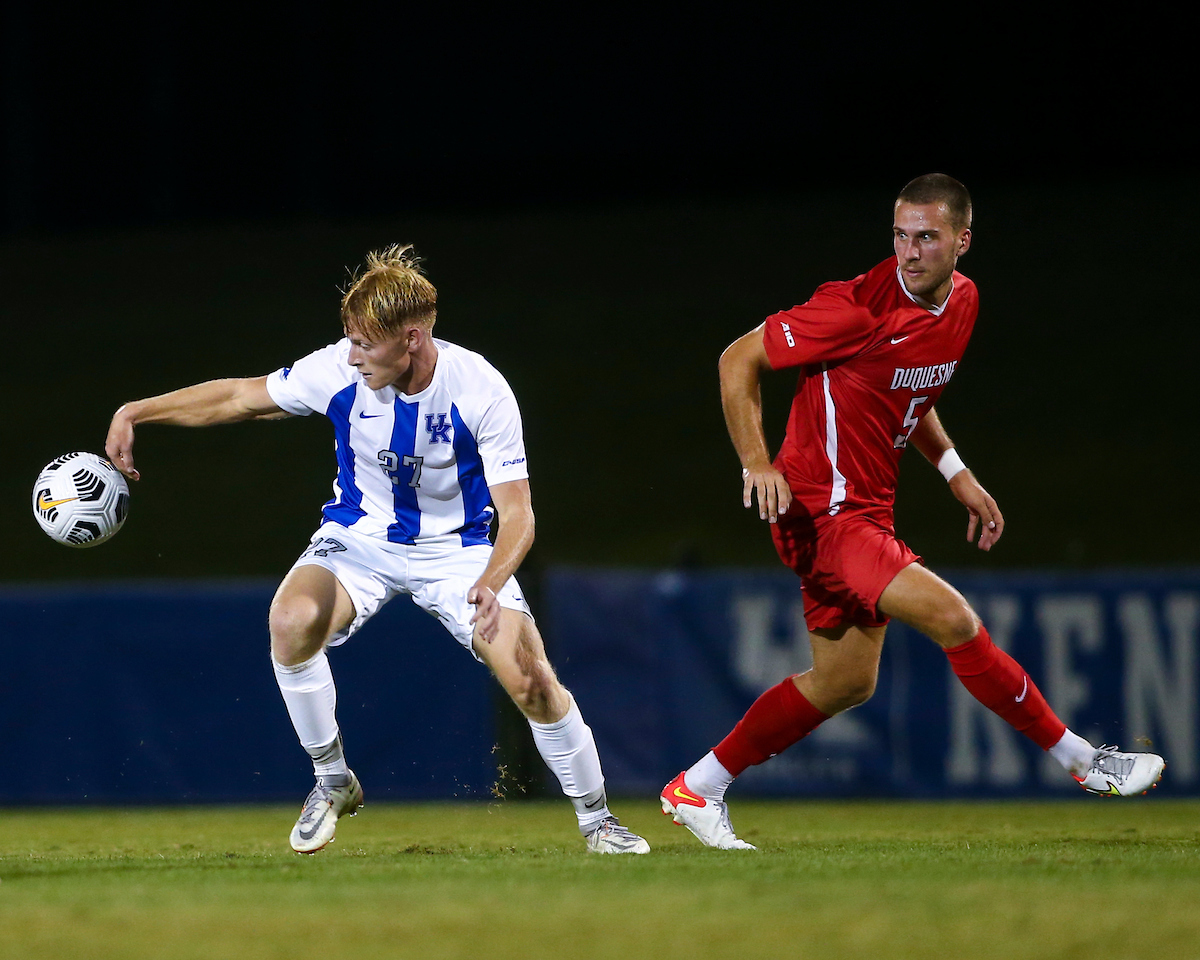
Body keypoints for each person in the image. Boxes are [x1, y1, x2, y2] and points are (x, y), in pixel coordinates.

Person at [660, 174, 1165, 850]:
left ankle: (699, 786)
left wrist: (956, 472)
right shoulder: (853, 310)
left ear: (962, 241)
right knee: (954, 619)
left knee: (845, 682)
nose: (910, 251)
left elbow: (908, 393)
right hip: (823, 513)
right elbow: (736, 360)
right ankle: (1085, 762)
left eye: (926, 237)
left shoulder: (963, 303)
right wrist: (756, 462)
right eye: (900, 235)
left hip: (866, 511)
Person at [106, 245, 650, 856]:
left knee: (531, 680)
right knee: (290, 621)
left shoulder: (481, 390)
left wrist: (491, 582)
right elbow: (239, 397)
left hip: (460, 551)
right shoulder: (340, 371)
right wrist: (137, 412)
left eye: (365, 344)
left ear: (411, 339)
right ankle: (333, 779)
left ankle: (598, 821)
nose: (352, 355)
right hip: (360, 538)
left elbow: (519, 514)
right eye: (350, 340)